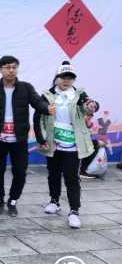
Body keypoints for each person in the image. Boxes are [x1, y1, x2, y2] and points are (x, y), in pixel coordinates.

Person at [0, 56, 54, 217]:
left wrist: (46, 108)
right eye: (7, 67)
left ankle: (13, 200)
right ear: (0, 69)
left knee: (20, 173)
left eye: (14, 67)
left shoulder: (26, 88)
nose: (11, 70)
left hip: (19, 140)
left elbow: (37, 102)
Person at [34, 62, 98, 228]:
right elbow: (38, 118)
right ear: (56, 78)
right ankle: (54, 201)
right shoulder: (47, 95)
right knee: (53, 173)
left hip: (73, 143)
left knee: (72, 177)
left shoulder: (79, 94)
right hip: (53, 143)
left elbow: (89, 106)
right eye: (63, 77)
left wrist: (92, 106)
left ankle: (74, 211)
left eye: (70, 78)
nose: (66, 80)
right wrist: (42, 140)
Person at [80, 113, 107, 179]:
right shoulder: (77, 123)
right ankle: (82, 170)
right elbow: (80, 140)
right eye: (88, 115)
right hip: (73, 146)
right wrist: (96, 142)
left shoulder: (83, 123)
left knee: (95, 145)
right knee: (93, 147)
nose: (90, 117)